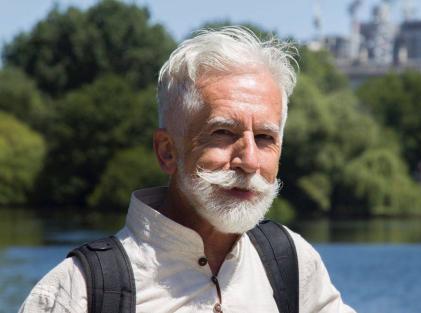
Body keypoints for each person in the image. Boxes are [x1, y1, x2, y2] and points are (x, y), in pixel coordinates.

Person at [19, 27, 355, 313]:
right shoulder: (79, 292)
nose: (250, 161)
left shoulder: (291, 264)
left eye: (265, 137)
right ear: (167, 151)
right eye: (223, 133)